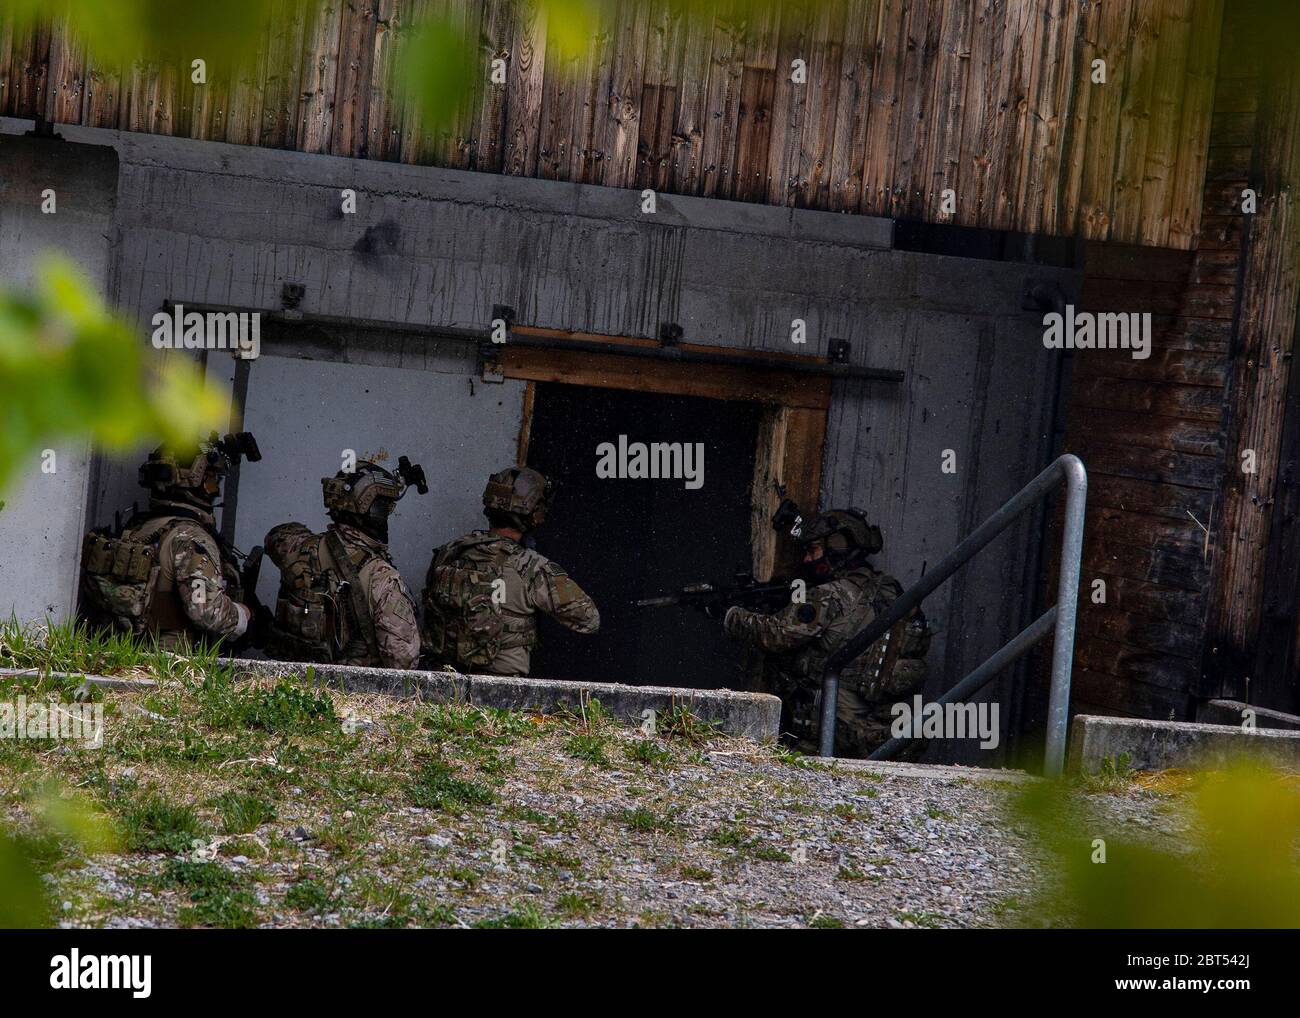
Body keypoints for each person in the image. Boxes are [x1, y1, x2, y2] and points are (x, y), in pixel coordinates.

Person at [721, 509, 930, 757]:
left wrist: (732, 615)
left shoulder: (830, 595)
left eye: (813, 551)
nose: (808, 560)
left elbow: (776, 635)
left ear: (837, 549)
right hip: (877, 729)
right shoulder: (891, 591)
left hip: (831, 731)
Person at [79, 432, 260, 649]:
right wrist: (243, 614)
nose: (216, 490)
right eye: (212, 481)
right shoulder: (190, 537)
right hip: (168, 663)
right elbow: (207, 611)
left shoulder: (135, 529)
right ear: (195, 480)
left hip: (120, 655)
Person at [422, 466, 599, 675]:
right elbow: (589, 619)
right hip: (501, 693)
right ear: (535, 512)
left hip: (442, 684)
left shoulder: (449, 553)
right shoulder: (532, 566)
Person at [264, 459, 422, 669]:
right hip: (348, 694)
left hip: (291, 685)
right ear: (368, 509)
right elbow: (402, 661)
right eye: (383, 508)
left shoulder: (297, 547)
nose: (385, 515)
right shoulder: (381, 577)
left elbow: (276, 536)